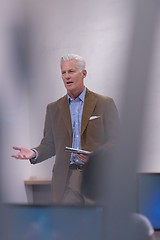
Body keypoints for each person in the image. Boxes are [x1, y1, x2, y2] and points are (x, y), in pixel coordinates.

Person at [12, 54, 119, 204]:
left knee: (97, 223)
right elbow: (49, 144)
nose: (67, 76)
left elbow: (117, 141)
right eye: (63, 72)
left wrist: (97, 156)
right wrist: (34, 152)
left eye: (71, 71)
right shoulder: (53, 108)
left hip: (96, 176)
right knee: (70, 224)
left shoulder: (104, 103)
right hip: (67, 179)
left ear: (84, 74)